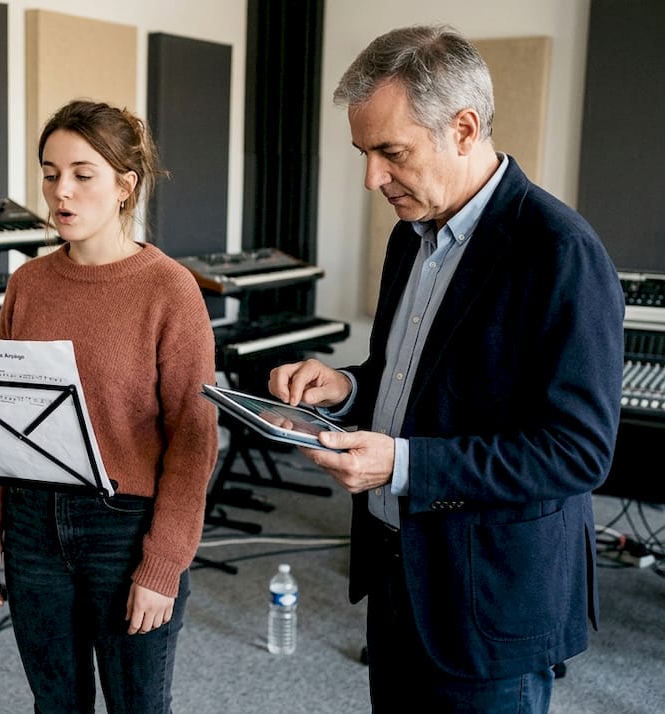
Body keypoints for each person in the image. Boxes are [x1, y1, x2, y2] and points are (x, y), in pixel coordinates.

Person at [267, 25, 624, 713]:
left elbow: (577, 452)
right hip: (402, 577)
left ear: (463, 128)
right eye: (364, 153)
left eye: (390, 152)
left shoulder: (561, 252)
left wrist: (401, 466)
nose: (372, 177)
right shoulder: (411, 237)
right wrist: (347, 387)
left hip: (490, 602)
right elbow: (414, 385)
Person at [0, 99, 219, 713]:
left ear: (125, 186)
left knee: (137, 705)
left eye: (83, 174)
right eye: (51, 173)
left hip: (124, 528)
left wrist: (163, 564)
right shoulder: (28, 283)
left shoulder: (169, 289)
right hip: (31, 524)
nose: (62, 192)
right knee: (55, 704)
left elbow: (194, 442)